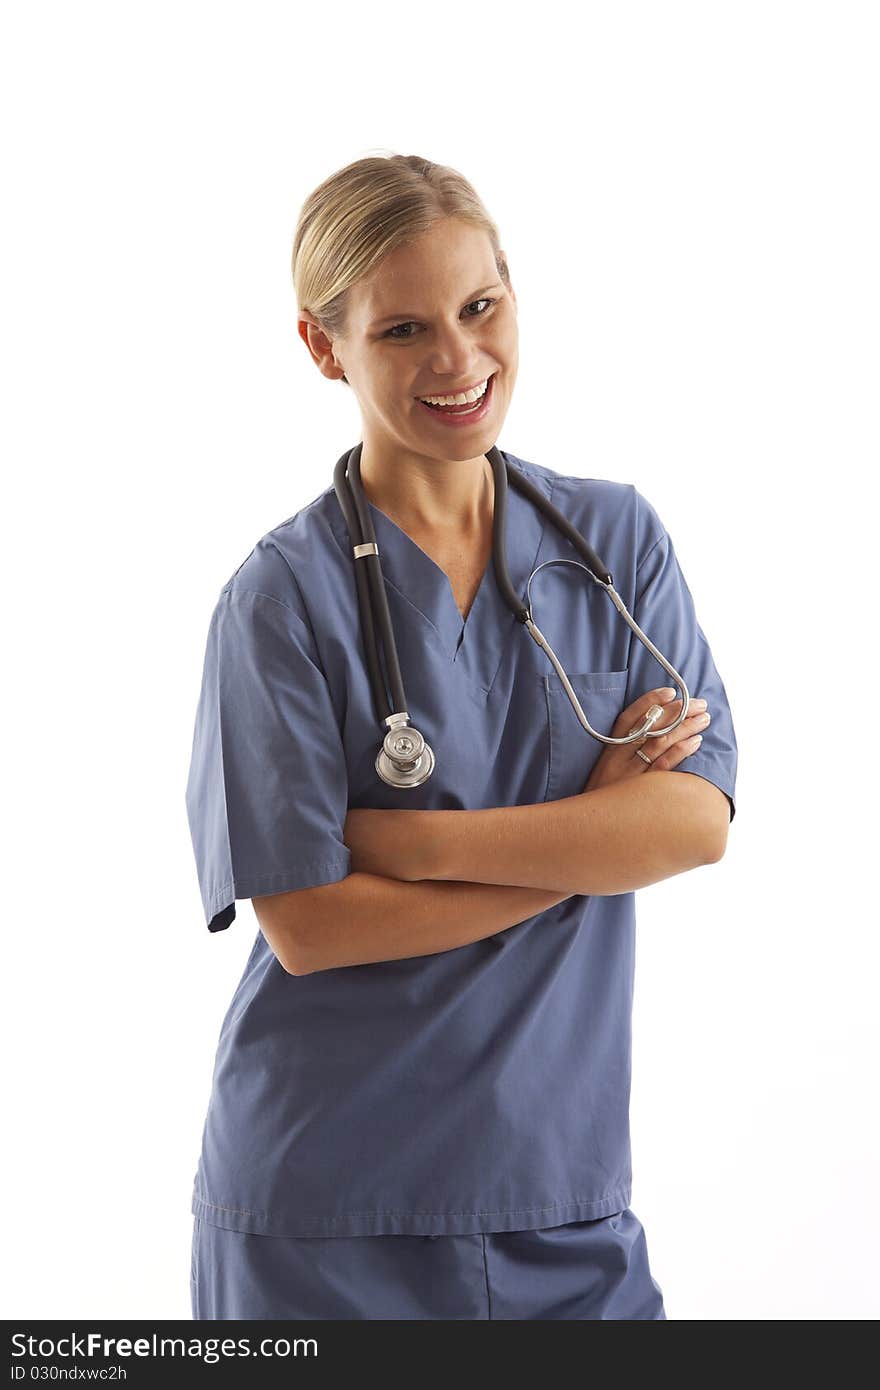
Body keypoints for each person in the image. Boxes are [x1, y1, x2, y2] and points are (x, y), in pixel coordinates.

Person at [185, 153, 738, 1321]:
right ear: (322, 347)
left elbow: (691, 823)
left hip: (564, 1194)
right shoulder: (279, 599)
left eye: (480, 307)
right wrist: (591, 842)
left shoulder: (611, 541)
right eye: (401, 329)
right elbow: (312, 926)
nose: (457, 359)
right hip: (324, 1215)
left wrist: (420, 845)